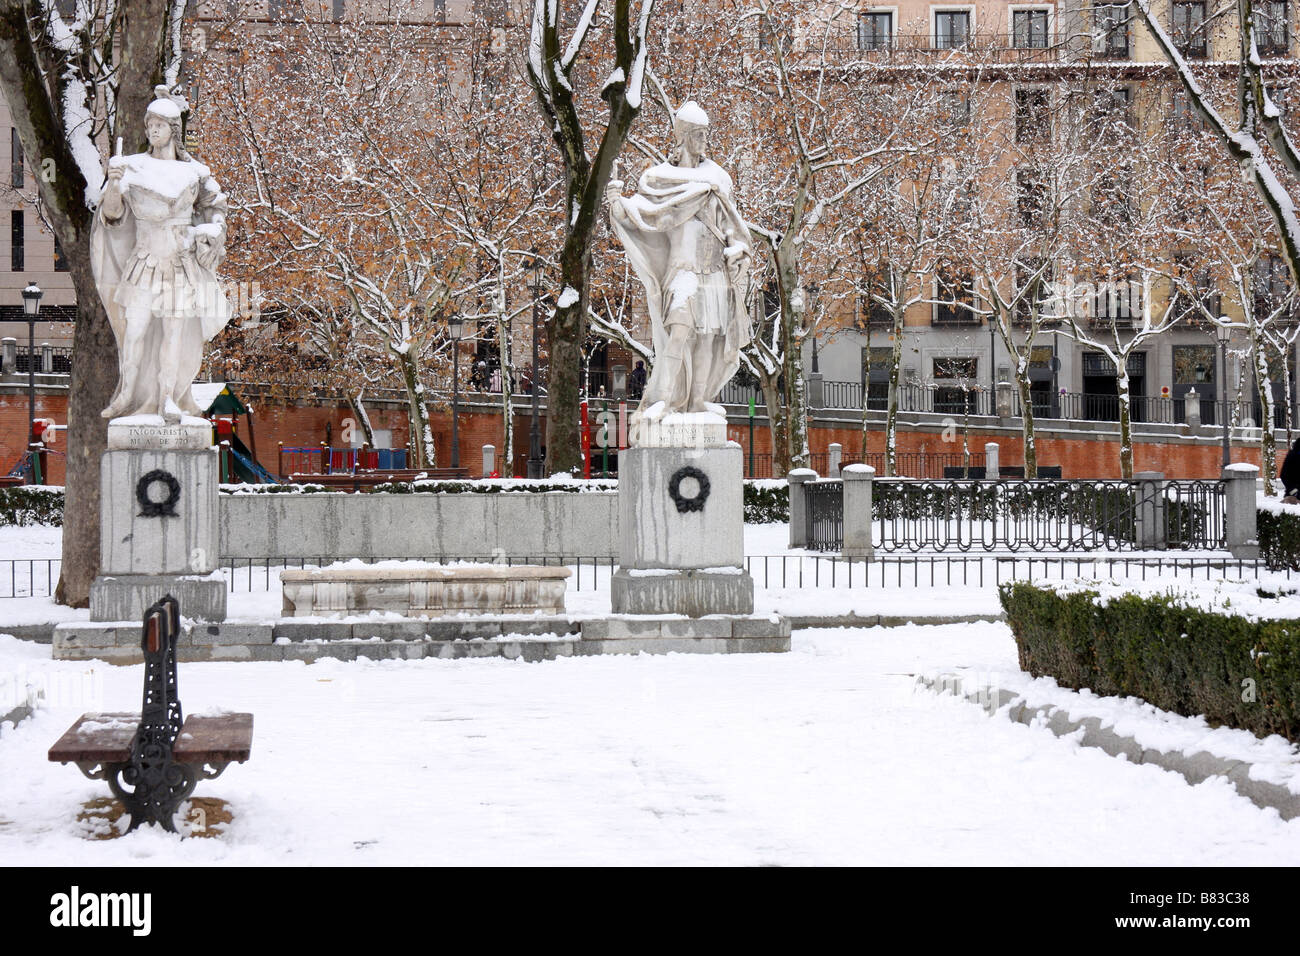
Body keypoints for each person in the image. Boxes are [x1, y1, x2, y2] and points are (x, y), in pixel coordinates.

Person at [605, 101, 752, 433]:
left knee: (708, 339)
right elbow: (643, 217)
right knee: (679, 331)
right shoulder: (659, 179)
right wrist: (618, 204)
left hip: (714, 271)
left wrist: (739, 252)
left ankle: (698, 401)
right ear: (684, 136)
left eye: (706, 135)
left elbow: (733, 229)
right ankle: (666, 400)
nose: (704, 141)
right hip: (682, 270)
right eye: (698, 135)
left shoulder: (718, 178)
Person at [92, 86, 232, 421]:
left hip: (179, 264)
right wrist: (113, 182)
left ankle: (167, 397)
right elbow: (111, 215)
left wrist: (213, 230)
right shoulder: (132, 167)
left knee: (173, 333)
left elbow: (217, 209)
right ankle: (127, 393)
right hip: (144, 261)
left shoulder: (194, 172)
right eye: (149, 124)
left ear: (173, 130)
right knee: (135, 330)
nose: (152, 130)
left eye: (160, 124)